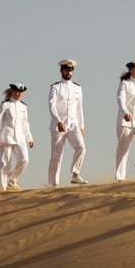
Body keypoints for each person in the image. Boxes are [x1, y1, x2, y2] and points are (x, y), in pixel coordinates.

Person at [48, 59, 88, 187]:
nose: (69, 72)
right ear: (61, 71)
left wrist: (81, 126)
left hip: (73, 124)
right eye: (66, 70)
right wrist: (58, 121)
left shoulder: (77, 87)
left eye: (71, 70)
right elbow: (52, 106)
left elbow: (79, 108)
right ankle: (54, 183)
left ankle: (75, 174)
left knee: (81, 147)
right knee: (56, 155)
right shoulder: (55, 87)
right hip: (58, 126)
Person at [0, 83, 34, 191]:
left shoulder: (23, 106)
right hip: (6, 137)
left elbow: (25, 123)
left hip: (20, 137)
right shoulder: (5, 104)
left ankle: (12, 180)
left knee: (25, 160)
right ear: (12, 91)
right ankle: (3, 190)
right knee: (5, 164)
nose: (19, 94)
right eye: (17, 91)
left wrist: (29, 138)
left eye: (21, 92)